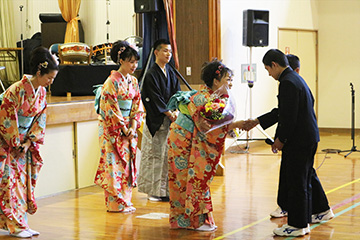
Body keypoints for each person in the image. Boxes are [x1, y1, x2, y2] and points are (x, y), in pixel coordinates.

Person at [244, 49, 333, 237]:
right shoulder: (296, 79)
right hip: (308, 137)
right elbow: (284, 110)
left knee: (296, 182)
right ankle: (315, 213)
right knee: (305, 179)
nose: (269, 74)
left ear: (274, 65)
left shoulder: (287, 83)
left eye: (268, 69)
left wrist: (280, 140)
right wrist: (258, 121)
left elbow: (288, 117)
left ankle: (298, 224)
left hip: (298, 140)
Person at [167, 59, 244, 231]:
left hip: (190, 138)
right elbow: (209, 127)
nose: (231, 83)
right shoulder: (205, 98)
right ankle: (191, 221)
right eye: (228, 79)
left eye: (231, 79)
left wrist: (230, 127)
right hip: (183, 139)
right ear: (216, 81)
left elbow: (215, 126)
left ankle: (190, 220)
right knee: (185, 179)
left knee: (193, 179)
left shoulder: (213, 97)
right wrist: (236, 125)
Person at [0, 47, 58, 238]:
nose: (50, 82)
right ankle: (15, 226)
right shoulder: (15, 90)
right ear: (39, 72)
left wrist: (27, 144)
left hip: (23, 146)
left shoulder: (40, 93)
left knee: (22, 187)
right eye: (49, 78)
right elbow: (6, 119)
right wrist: (15, 143)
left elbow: (39, 120)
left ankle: (21, 224)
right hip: (6, 144)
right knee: (9, 186)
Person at [94, 40, 144, 213]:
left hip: (127, 128)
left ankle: (126, 200)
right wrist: (123, 128)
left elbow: (137, 106)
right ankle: (115, 203)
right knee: (113, 164)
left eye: (136, 62)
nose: (134, 65)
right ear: (121, 60)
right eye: (131, 61)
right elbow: (110, 108)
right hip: (112, 129)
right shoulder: (111, 82)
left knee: (127, 165)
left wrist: (133, 125)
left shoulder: (134, 81)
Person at [137, 39, 181, 201]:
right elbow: (154, 98)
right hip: (157, 121)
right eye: (165, 51)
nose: (168, 54)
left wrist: (176, 110)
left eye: (170, 52)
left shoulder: (170, 72)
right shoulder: (151, 74)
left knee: (167, 157)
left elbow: (177, 93)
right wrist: (168, 113)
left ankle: (166, 191)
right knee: (155, 156)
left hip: (170, 120)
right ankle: (154, 192)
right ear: (156, 52)